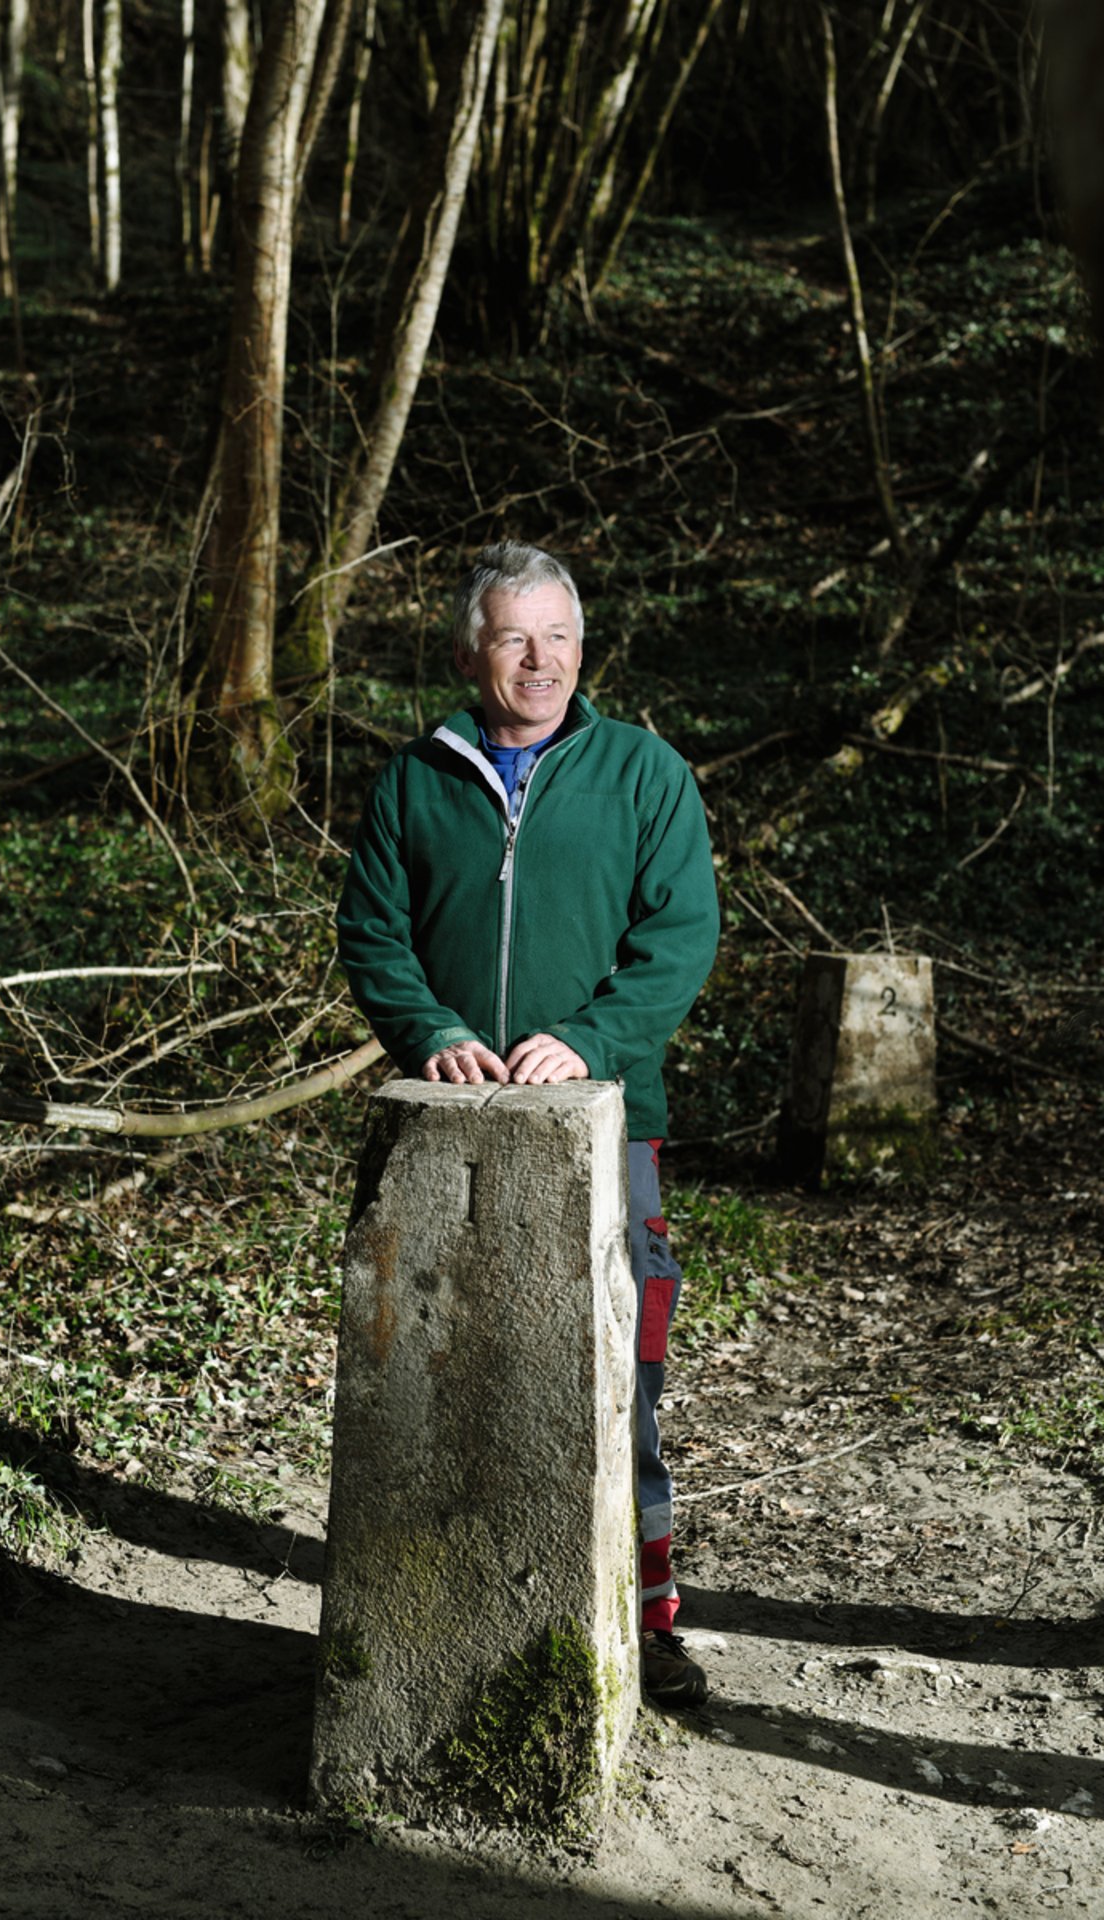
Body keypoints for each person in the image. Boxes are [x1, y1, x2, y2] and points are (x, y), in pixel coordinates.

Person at [336, 540, 720, 1705]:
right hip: (440, 1125)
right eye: (514, 637)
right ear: (469, 651)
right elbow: (372, 934)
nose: (539, 660)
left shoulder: (644, 774)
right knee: (433, 1370)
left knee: (622, 1371)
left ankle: (643, 1621)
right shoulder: (414, 779)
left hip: (609, 1123)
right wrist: (429, 1030)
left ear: (582, 648)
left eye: (557, 636)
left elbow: (678, 938)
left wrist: (590, 1042)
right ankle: (437, 1613)